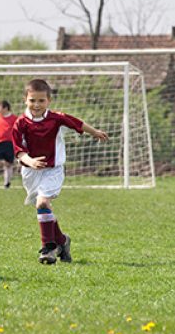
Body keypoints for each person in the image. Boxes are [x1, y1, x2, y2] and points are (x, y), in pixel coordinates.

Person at [11, 79, 108, 265]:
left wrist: (94, 132)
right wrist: (30, 161)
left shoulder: (56, 118)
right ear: (25, 100)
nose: (36, 105)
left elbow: (77, 124)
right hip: (31, 172)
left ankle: (48, 248)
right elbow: (18, 150)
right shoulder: (20, 123)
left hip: (53, 170)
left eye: (41, 100)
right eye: (32, 100)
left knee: (42, 202)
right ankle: (62, 241)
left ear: (49, 100)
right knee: (43, 207)